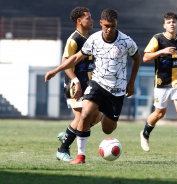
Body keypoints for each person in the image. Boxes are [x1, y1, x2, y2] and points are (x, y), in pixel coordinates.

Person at [45, 9, 141, 164]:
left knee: (107, 129)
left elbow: (137, 58)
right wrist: (56, 70)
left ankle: (72, 133)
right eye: (106, 26)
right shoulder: (93, 39)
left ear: (117, 24)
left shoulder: (126, 41)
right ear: (101, 23)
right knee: (84, 115)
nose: (109, 29)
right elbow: (75, 58)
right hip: (96, 84)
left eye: (113, 26)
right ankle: (80, 156)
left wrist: (132, 82)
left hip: (116, 90)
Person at [140, 12, 177, 156]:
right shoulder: (157, 39)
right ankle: (145, 134)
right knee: (159, 113)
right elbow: (145, 57)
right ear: (164, 25)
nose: (171, 24)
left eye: (174, 22)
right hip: (162, 82)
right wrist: (162, 51)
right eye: (169, 22)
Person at [56, 7, 103, 162]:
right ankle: (62, 150)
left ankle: (69, 134)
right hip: (75, 85)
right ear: (79, 21)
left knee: (95, 117)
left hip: (88, 84)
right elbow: (66, 63)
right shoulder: (74, 39)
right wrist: (76, 82)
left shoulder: (89, 38)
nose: (92, 20)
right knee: (82, 118)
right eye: (88, 18)